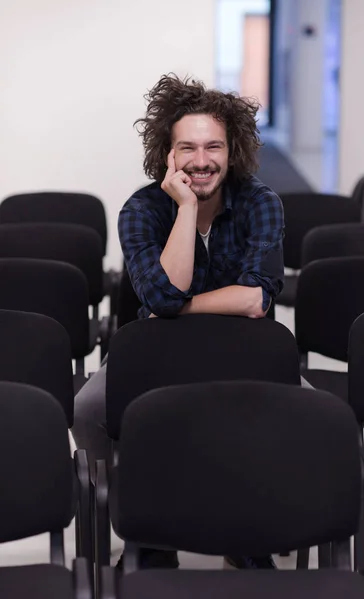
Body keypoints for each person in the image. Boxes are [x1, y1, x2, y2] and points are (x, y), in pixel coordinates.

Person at [73, 73, 284, 570]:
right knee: (87, 409)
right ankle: (145, 524)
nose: (202, 161)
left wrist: (176, 307)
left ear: (233, 150)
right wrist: (186, 208)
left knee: (314, 415)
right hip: (158, 357)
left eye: (214, 146)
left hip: (242, 356)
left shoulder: (261, 203)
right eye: (187, 148)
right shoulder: (142, 210)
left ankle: (253, 530)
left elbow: (255, 299)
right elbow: (165, 292)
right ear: (167, 154)